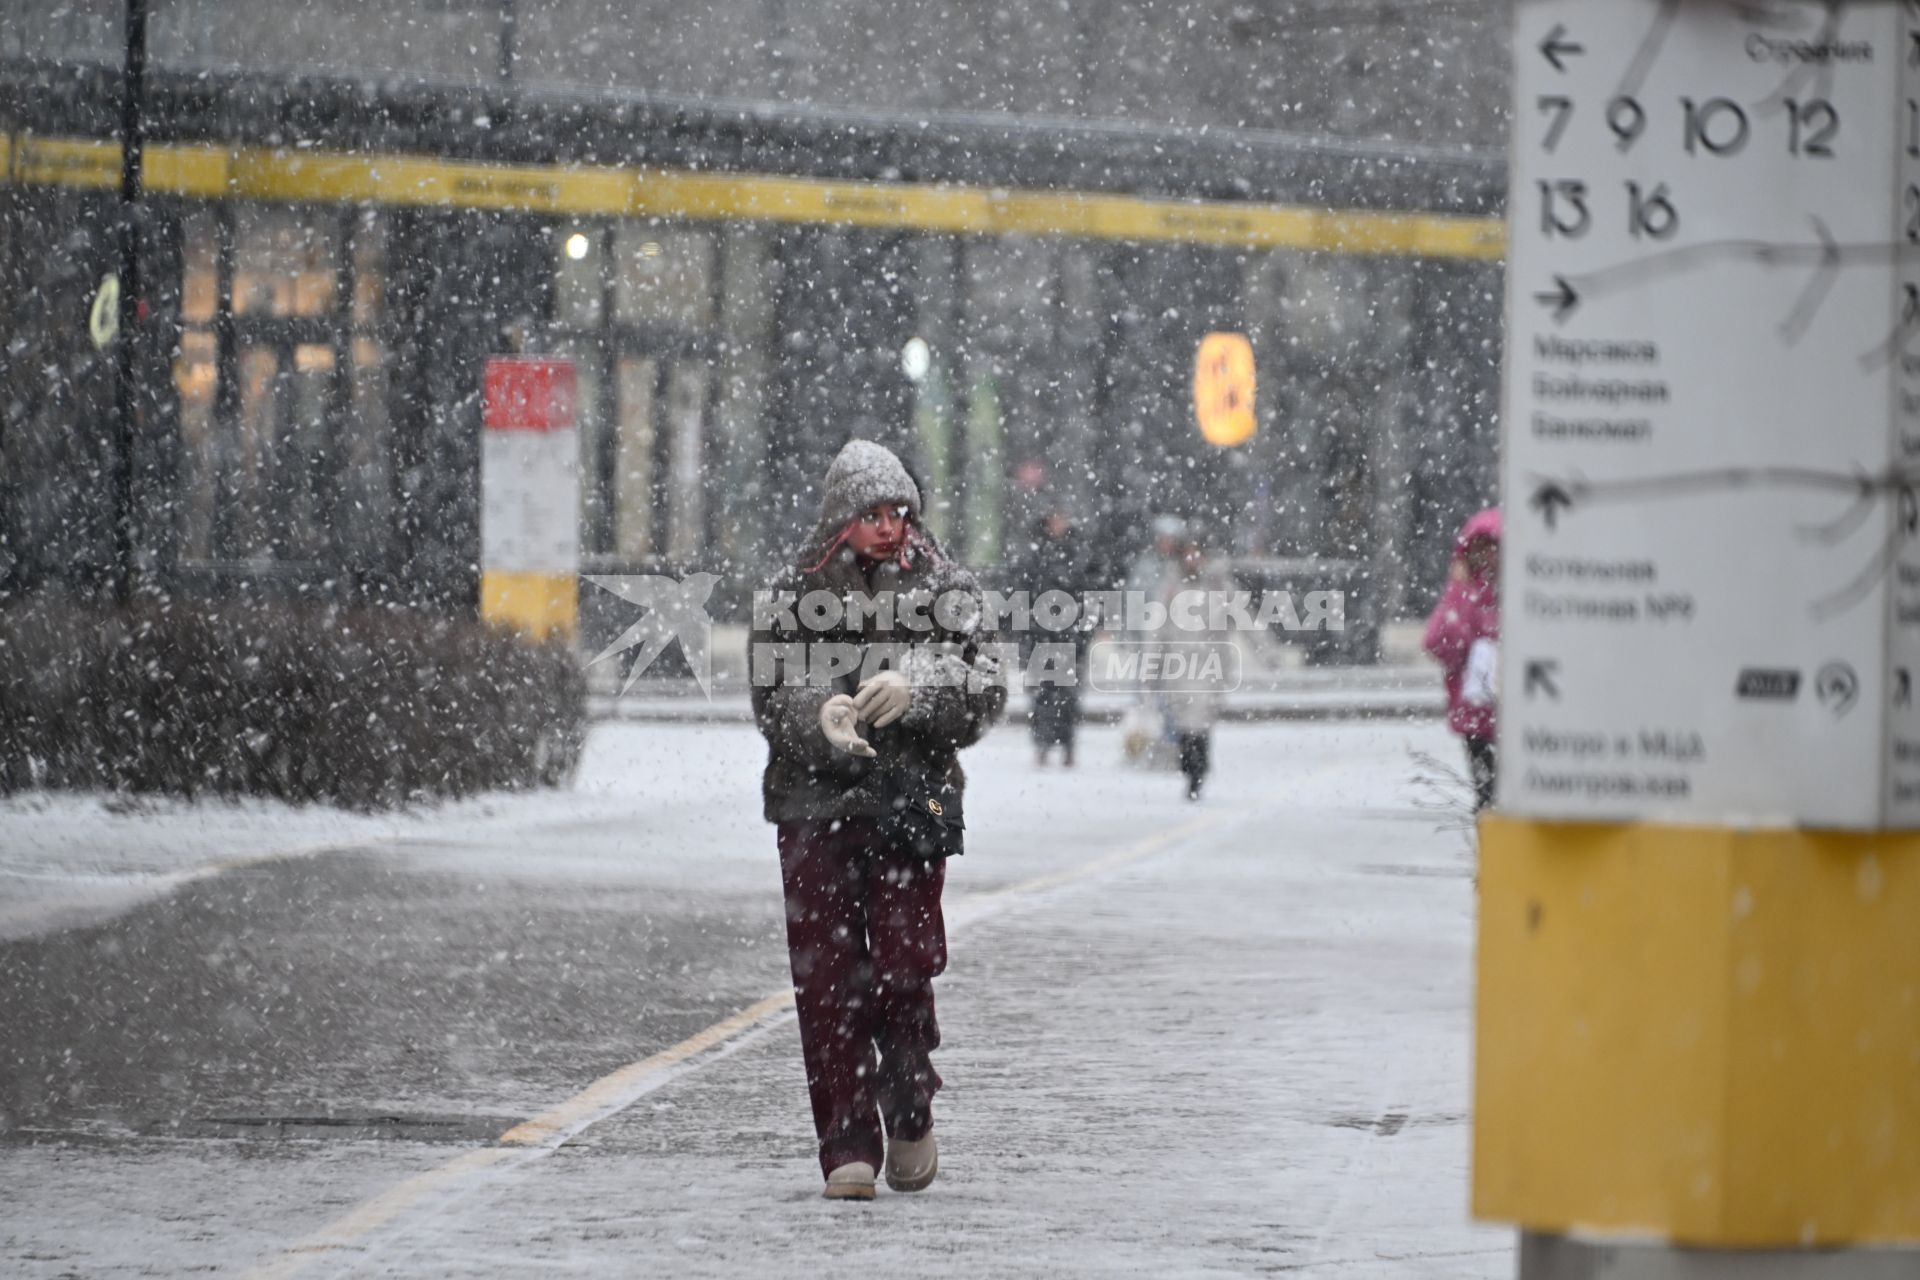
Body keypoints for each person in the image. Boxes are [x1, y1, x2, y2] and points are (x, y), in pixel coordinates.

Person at [749, 439, 1006, 1202]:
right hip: (813, 807)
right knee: (826, 985)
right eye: (873, 514)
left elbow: (984, 683)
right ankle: (847, 1145)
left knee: (903, 969)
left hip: (910, 806)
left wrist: (918, 689)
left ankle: (910, 1108)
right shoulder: (789, 594)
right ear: (839, 522)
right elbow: (772, 694)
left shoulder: (948, 587)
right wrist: (816, 713)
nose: (891, 526)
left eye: (900, 511)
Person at [1424, 508, 1502, 811]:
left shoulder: (1521, 588)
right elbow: (1440, 641)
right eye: (1480, 548)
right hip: (1476, 711)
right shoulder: (1467, 591)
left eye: (1493, 547)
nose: (1488, 556)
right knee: (1486, 796)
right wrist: (1460, 590)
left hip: (1512, 712)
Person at [1011, 508, 1098, 767]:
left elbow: (1089, 592)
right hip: (1039, 635)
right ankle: (1042, 743)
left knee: (1068, 694)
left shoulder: (1078, 555)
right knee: (1042, 693)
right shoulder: (1033, 555)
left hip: (1070, 637)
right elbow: (1020, 591)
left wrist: (1085, 629)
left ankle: (1067, 745)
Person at [1157, 536, 1234, 801]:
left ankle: (1197, 771)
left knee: (1200, 722)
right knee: (1183, 724)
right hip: (1178, 665)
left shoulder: (1217, 585)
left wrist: (1269, 652)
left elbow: (1244, 617)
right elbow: (1157, 627)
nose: (1193, 560)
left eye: (1197, 554)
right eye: (1188, 554)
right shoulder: (1171, 587)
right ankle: (1190, 767)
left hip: (1208, 664)